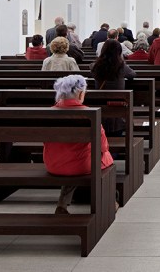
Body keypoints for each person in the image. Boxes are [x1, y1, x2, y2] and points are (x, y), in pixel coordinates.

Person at [42, 75, 114, 214]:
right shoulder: (89, 114)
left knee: (72, 159)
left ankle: (62, 203)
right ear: (81, 93)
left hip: (53, 164)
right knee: (105, 159)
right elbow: (103, 147)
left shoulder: (49, 112)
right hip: (80, 166)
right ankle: (111, 202)